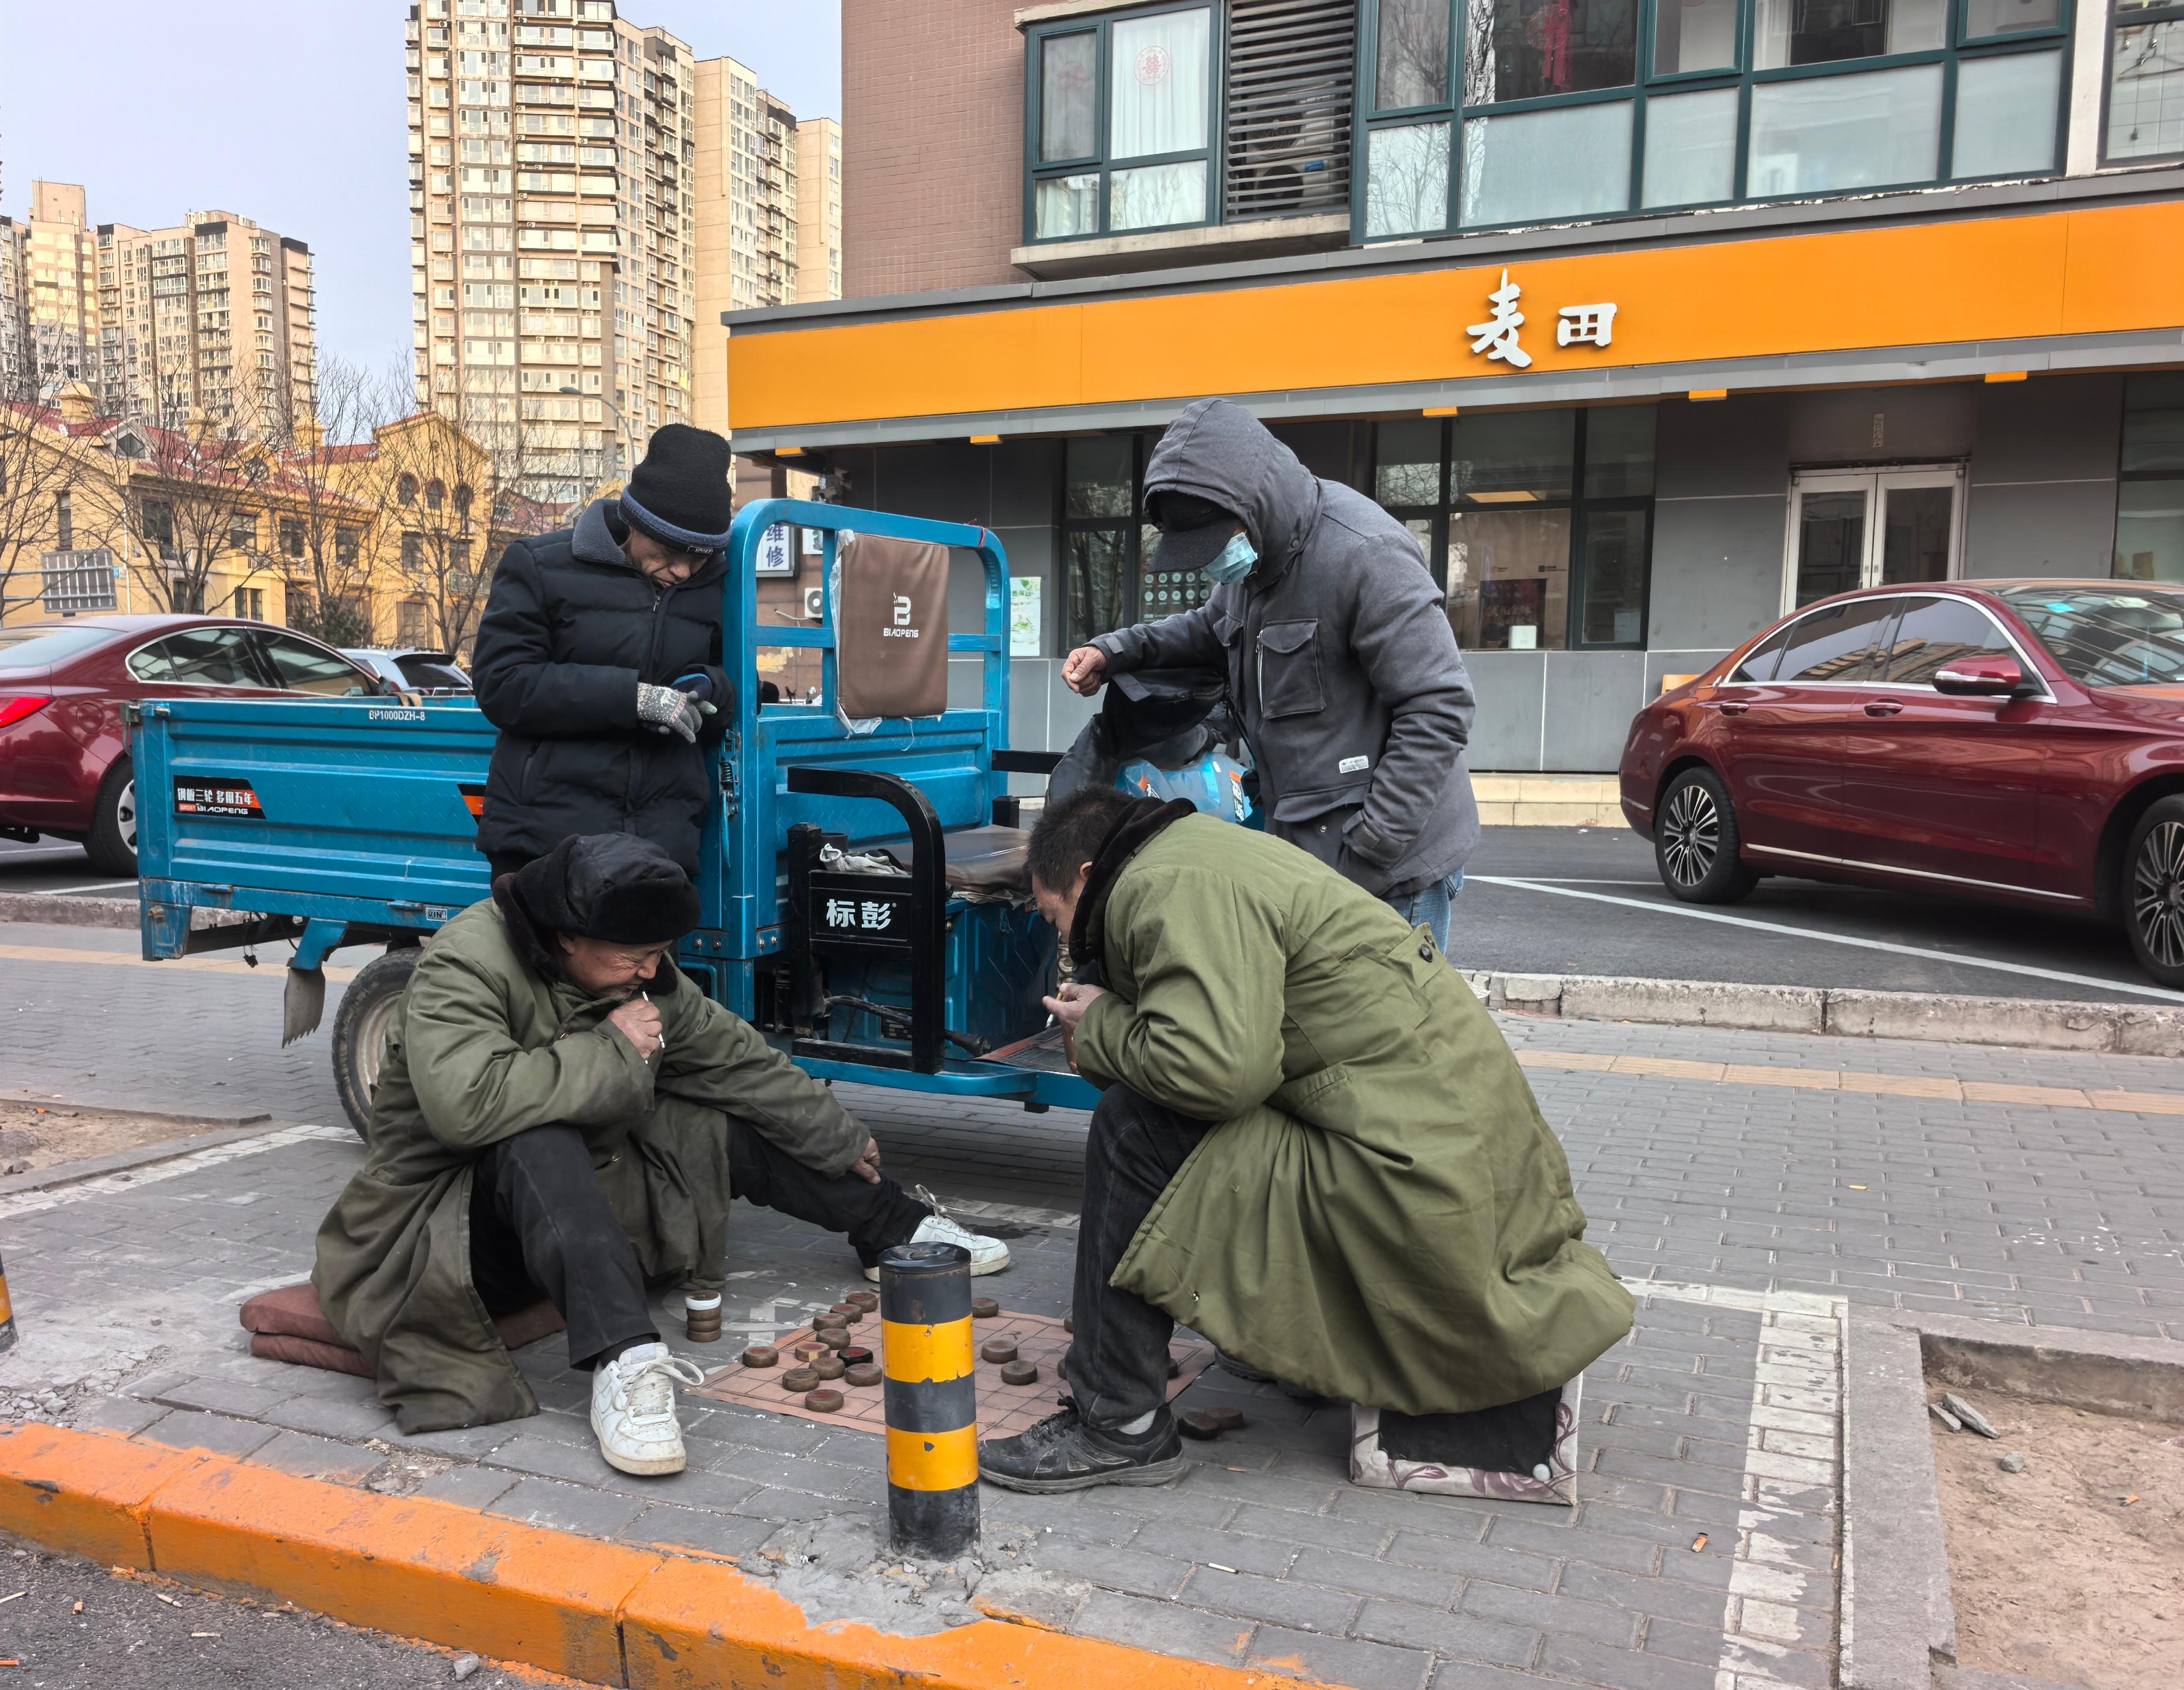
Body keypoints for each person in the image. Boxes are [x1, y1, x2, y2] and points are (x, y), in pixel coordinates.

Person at [979, 786, 1632, 1493]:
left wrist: (1100, 1025)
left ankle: (1117, 1423)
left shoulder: (1163, 884)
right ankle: (1255, 1351)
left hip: (1417, 1192)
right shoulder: (1206, 853)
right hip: (1449, 1169)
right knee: (1180, 1122)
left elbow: (1216, 1075)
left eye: (1056, 917)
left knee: (1133, 1128)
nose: (1065, 943)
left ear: (1084, 875)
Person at [313, 833, 1007, 1471]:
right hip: (440, 1232)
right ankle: (627, 1364)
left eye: (656, 955)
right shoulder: (465, 964)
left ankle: (895, 1228)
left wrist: (838, 1134)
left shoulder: (635, 966)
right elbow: (466, 1108)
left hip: (574, 1218)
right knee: (532, 1135)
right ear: (563, 939)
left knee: (712, 1117)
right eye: (632, 958)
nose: (650, 973)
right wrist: (612, 1048)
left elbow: (732, 1057)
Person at [1061, 397, 1479, 950]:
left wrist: (1373, 843)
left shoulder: (1365, 555)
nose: (1213, 563)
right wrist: (1113, 651)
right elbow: (1209, 628)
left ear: (1252, 508)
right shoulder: (1254, 564)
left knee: (1382, 1034)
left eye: (1213, 545)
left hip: (1390, 875)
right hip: (1311, 857)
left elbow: (1439, 706)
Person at [471, 423, 740, 880]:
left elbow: (734, 686)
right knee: (545, 954)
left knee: (640, 957)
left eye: (698, 559)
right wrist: (632, 699)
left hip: (659, 843)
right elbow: (504, 684)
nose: (681, 571)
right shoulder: (540, 565)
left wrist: (707, 689)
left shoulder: (713, 586)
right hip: (547, 836)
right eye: (669, 552)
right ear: (636, 521)